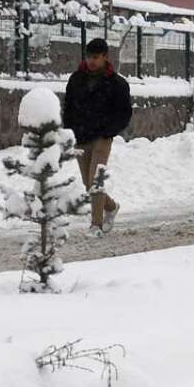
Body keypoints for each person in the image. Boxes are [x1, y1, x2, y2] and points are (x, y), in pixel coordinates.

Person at [62, 38, 132, 237]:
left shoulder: (117, 83)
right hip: (81, 136)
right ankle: (110, 207)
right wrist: (69, 132)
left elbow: (124, 113)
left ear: (104, 57)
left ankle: (96, 225)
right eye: (89, 57)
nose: (92, 61)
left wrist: (109, 131)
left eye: (96, 57)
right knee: (88, 183)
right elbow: (68, 108)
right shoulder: (76, 79)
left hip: (102, 137)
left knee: (96, 180)